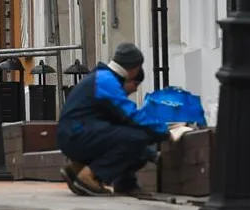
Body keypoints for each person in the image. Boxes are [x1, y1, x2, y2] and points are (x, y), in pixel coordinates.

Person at [57, 42, 170, 196]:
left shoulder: (100, 77)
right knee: (137, 137)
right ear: (134, 68)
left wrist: (148, 154)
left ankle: (116, 181)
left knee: (133, 138)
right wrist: (164, 131)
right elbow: (131, 115)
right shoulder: (106, 80)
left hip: (72, 135)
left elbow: (120, 123)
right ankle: (90, 176)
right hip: (77, 135)